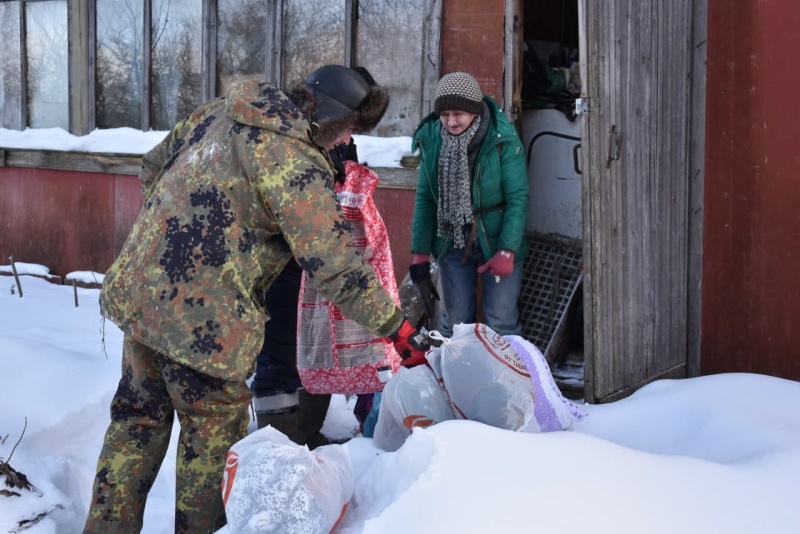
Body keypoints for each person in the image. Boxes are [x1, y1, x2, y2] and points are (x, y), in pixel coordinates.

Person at [83, 65, 429, 534]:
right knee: (209, 445)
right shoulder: (294, 161)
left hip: (142, 297)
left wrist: (177, 235)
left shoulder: (220, 112)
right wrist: (396, 328)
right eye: (347, 128)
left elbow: (152, 166)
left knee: (135, 424)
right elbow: (337, 268)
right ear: (328, 117)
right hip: (206, 326)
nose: (344, 140)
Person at [250, 68, 384, 449]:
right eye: (349, 127)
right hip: (288, 263)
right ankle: (277, 448)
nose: (349, 137)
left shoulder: (335, 140)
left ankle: (302, 439)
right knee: (279, 352)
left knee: (314, 348)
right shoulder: (292, 146)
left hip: (318, 261)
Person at [409, 71, 529, 338]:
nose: (451, 122)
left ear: (474, 111)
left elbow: (517, 198)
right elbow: (426, 198)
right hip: (451, 237)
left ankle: (504, 380)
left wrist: (508, 250)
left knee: (502, 324)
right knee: (455, 326)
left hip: (496, 236)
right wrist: (419, 254)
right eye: (445, 114)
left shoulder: (502, 140)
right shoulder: (432, 139)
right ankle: (454, 380)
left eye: (458, 114)